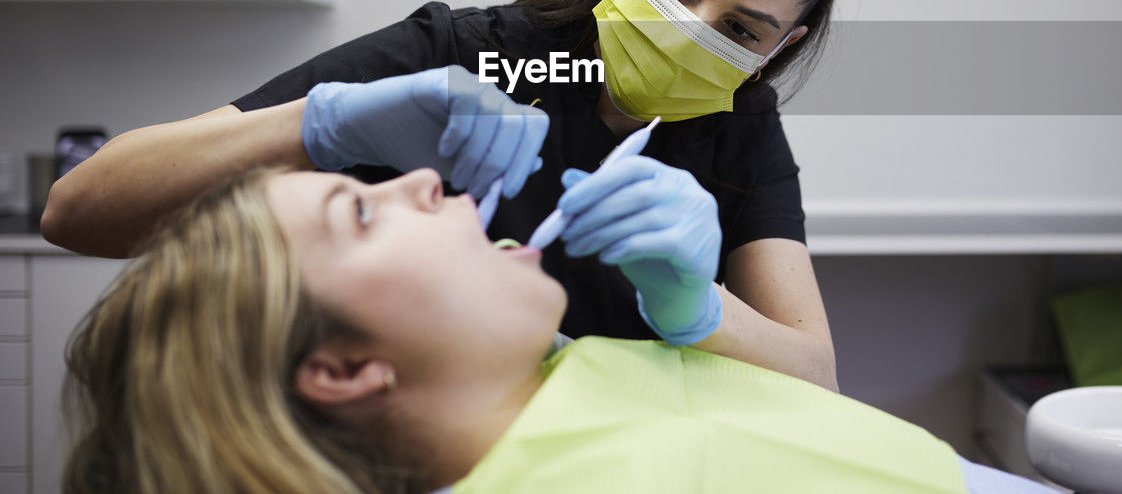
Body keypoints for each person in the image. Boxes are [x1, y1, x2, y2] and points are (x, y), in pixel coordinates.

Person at [44, 0, 856, 389]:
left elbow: (812, 371)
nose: (689, 28)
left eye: (742, 30)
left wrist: (696, 308)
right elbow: (76, 210)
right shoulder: (461, 59)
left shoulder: (740, 126)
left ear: (781, 45)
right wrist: (326, 123)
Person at [63, 167, 1053, 493]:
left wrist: (701, 310)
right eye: (360, 213)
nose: (416, 179)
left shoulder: (560, 369)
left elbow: (817, 417)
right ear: (346, 365)